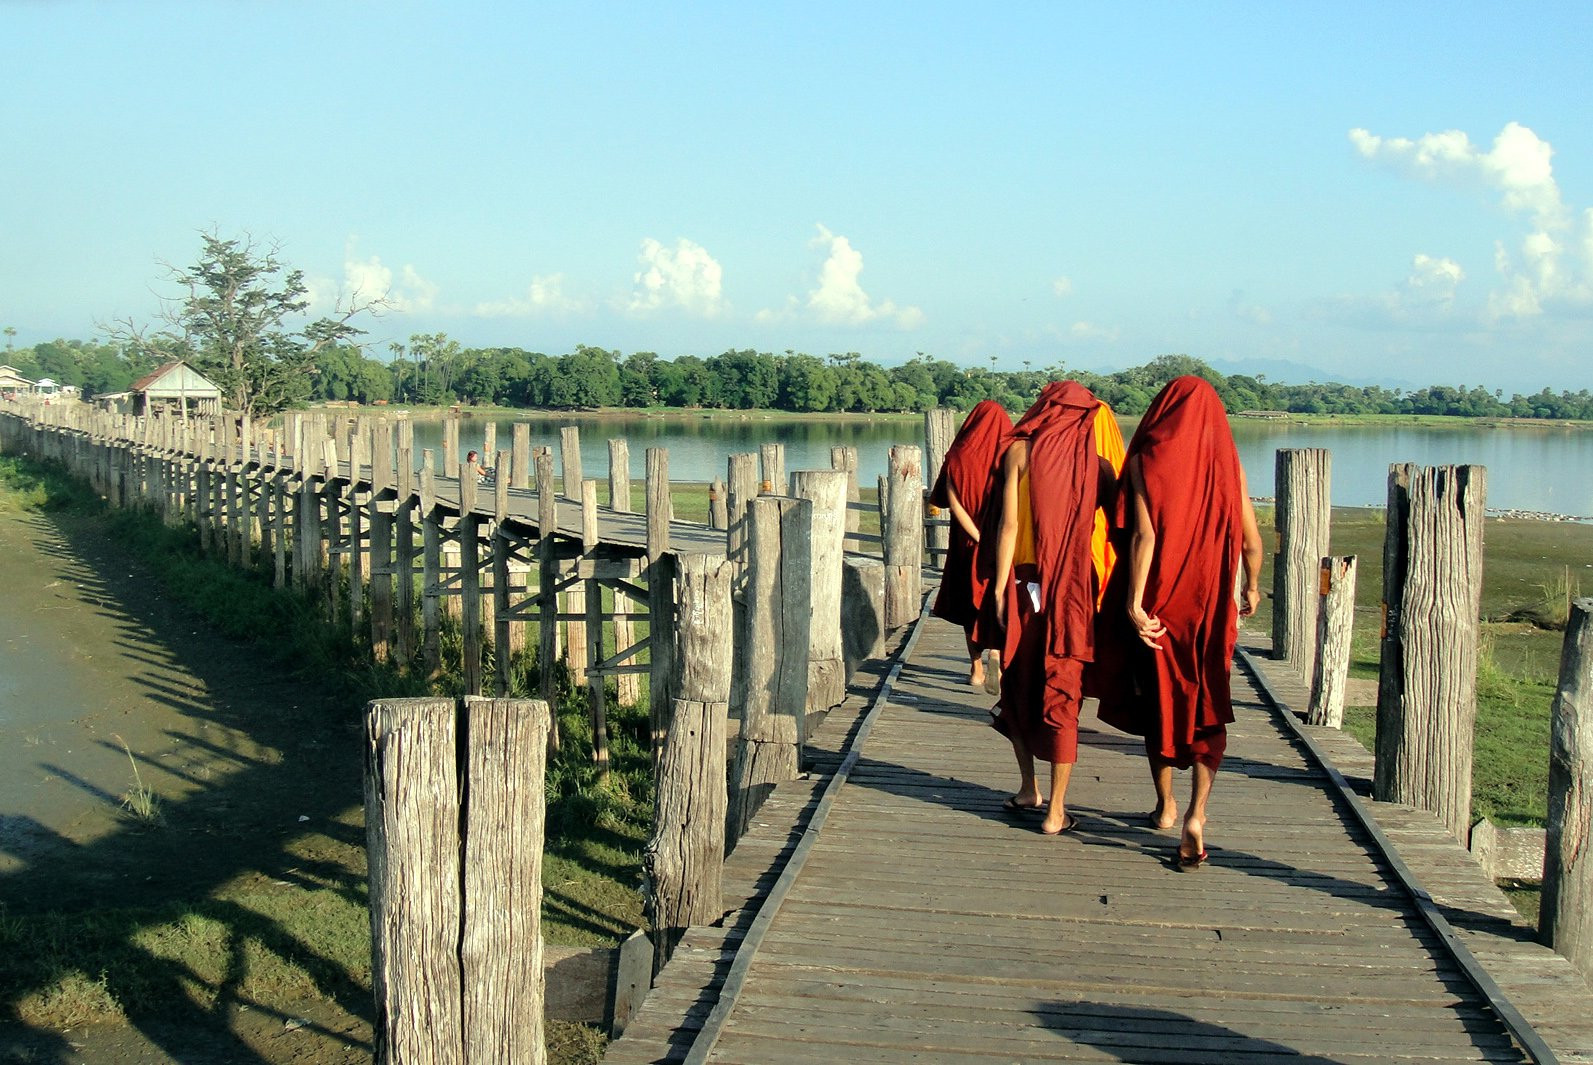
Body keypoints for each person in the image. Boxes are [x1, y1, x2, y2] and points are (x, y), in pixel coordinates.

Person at [1095, 376, 1264, 868]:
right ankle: (1197, 813)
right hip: (1210, 608)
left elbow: (1143, 537)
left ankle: (1165, 806)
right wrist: (1250, 585)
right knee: (1207, 701)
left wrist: (1132, 603)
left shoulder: (1149, 457)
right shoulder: (1227, 462)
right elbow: (1250, 540)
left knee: (1159, 701)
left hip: (1161, 606)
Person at [989, 381, 1124, 835]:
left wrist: (997, 589)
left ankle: (1029, 785)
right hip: (1074, 587)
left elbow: (1008, 526)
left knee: (1019, 681)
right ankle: (1056, 809)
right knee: (1062, 688)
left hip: (1023, 580)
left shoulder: (1018, 454)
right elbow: (1123, 530)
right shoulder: (1097, 465)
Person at [928, 400, 1014, 686]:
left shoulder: (957, 456)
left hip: (965, 544)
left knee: (968, 605)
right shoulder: (1009, 456)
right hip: (1001, 542)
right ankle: (997, 654)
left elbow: (951, 503)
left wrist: (976, 537)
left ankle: (976, 669)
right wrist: (991, 540)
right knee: (997, 598)